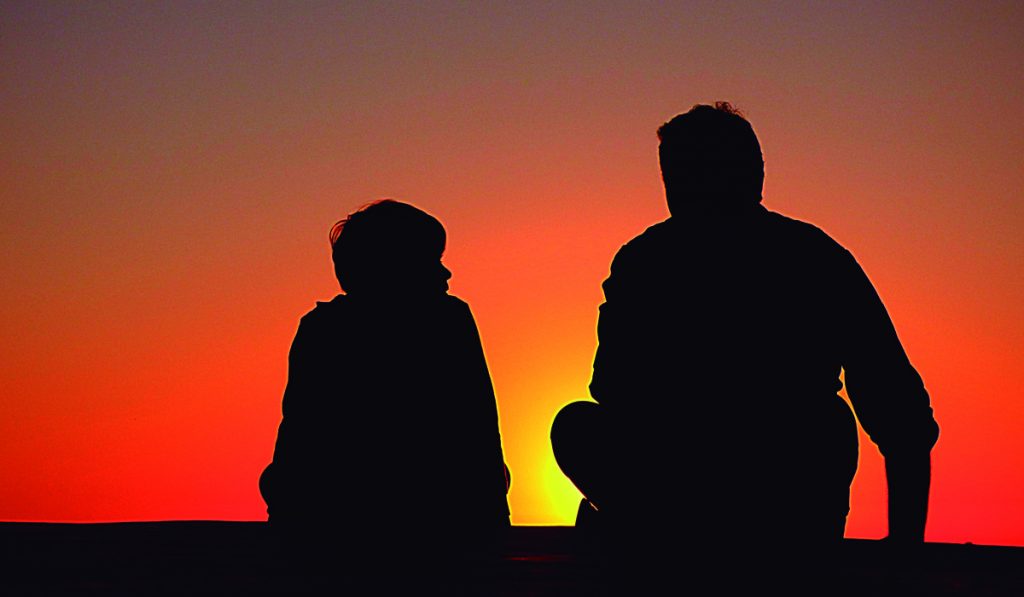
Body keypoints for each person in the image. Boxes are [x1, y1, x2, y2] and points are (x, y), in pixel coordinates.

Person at [551, 103, 939, 546]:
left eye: (694, 172)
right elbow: (899, 411)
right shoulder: (813, 256)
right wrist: (907, 544)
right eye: (678, 174)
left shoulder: (648, 260)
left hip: (767, 496)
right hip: (719, 487)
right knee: (578, 425)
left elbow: (898, 410)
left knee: (579, 425)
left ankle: (652, 533)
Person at [260, 200, 510, 548]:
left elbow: (297, 437)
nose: (446, 273)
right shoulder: (449, 320)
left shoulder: (320, 327)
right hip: (436, 518)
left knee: (278, 478)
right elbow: (480, 432)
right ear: (396, 266)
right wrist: (495, 527)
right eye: (432, 260)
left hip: (338, 517)